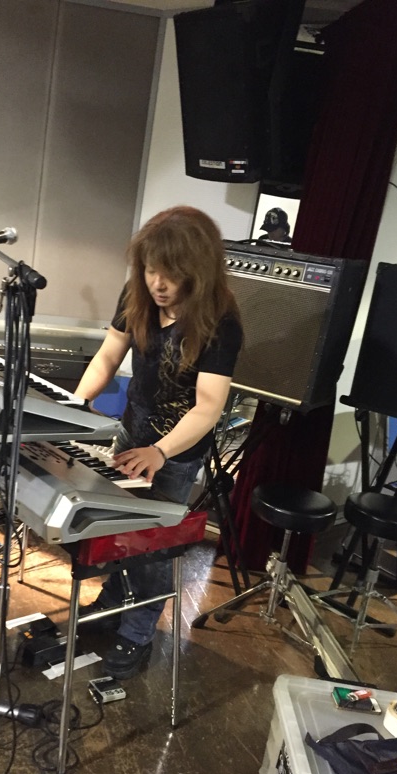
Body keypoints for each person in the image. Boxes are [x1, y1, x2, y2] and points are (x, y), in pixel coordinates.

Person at [73, 205, 243, 680]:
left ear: (198, 271)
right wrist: (78, 404)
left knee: (151, 547)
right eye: (150, 270)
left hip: (175, 453)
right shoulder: (138, 295)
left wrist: (161, 451)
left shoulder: (220, 323)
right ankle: (113, 598)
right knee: (117, 529)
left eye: (171, 273)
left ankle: (137, 632)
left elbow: (208, 407)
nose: (158, 283)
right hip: (132, 431)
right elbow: (108, 355)